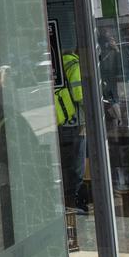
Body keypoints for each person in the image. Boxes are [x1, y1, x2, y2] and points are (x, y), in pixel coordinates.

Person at [55, 50, 88, 213]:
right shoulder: (75, 65)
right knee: (76, 165)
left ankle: (68, 199)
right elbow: (80, 95)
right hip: (76, 123)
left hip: (62, 121)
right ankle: (74, 201)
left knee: (65, 162)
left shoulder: (60, 63)